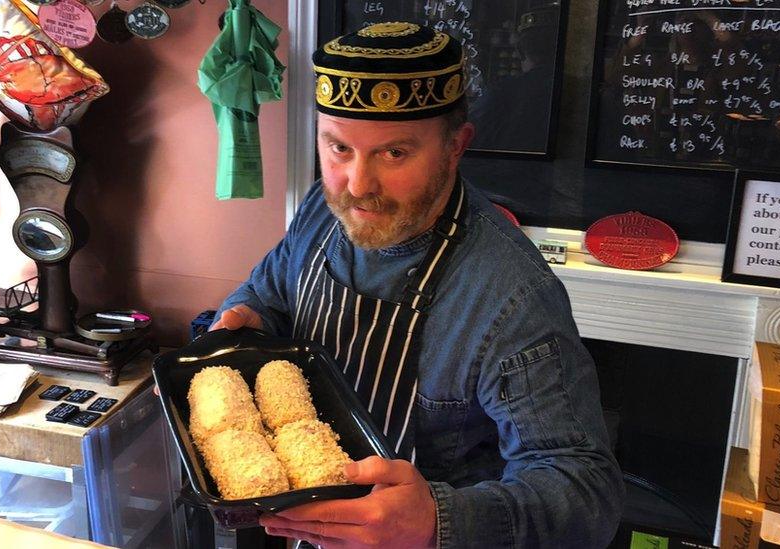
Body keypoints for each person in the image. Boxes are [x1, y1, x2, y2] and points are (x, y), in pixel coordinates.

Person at [212, 21, 624, 548]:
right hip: (303, 522)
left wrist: (439, 522)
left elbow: (587, 494)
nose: (358, 186)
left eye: (395, 153)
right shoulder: (323, 206)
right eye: (338, 148)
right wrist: (244, 314)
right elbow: (268, 291)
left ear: (456, 147)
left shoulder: (512, 297)